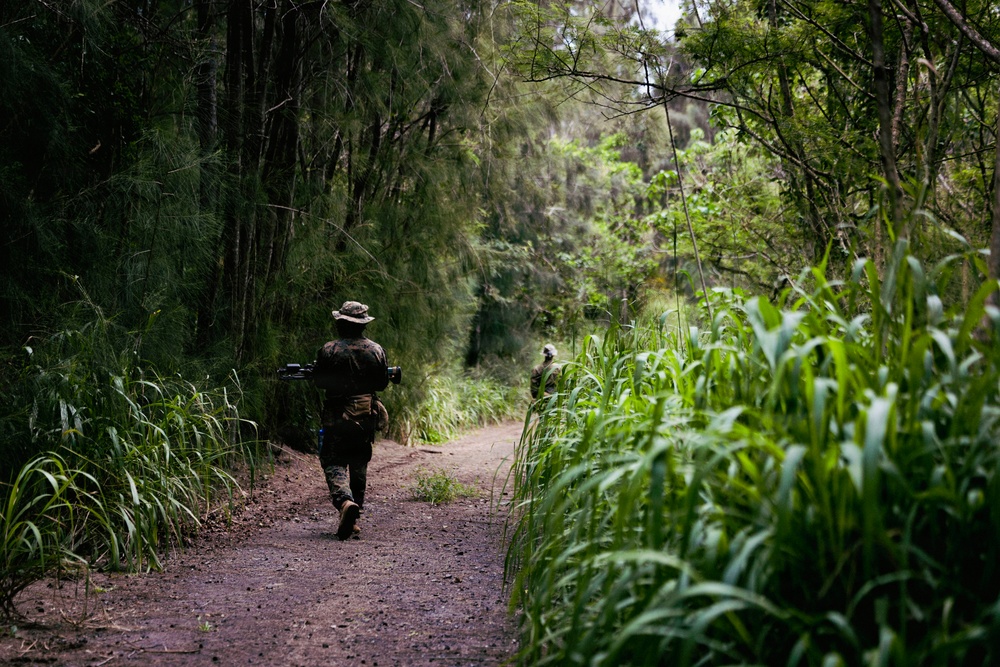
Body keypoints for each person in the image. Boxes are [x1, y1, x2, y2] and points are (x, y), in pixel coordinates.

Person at [314, 301, 390, 539]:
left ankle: (345, 502)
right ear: (362, 325)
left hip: (337, 416)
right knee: (359, 463)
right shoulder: (376, 350)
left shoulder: (329, 349)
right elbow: (382, 384)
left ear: (341, 323)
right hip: (366, 414)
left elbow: (319, 381)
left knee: (333, 461)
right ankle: (354, 518)